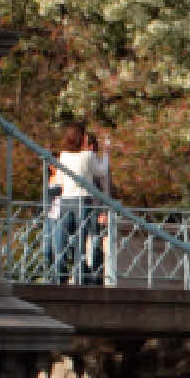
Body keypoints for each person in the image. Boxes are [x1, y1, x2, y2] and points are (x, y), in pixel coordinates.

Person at [51, 121, 98, 284]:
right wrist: (106, 153)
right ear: (81, 138)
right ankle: (79, 277)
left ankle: (60, 275)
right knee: (80, 241)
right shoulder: (88, 156)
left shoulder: (63, 156)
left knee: (62, 239)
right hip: (82, 201)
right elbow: (101, 171)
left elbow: (59, 180)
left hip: (65, 200)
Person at [79, 122, 115, 285]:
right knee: (82, 242)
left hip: (95, 209)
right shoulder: (81, 162)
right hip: (82, 207)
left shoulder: (99, 164)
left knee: (95, 243)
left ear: (91, 146)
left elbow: (106, 188)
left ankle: (95, 276)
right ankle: (84, 274)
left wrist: (104, 211)